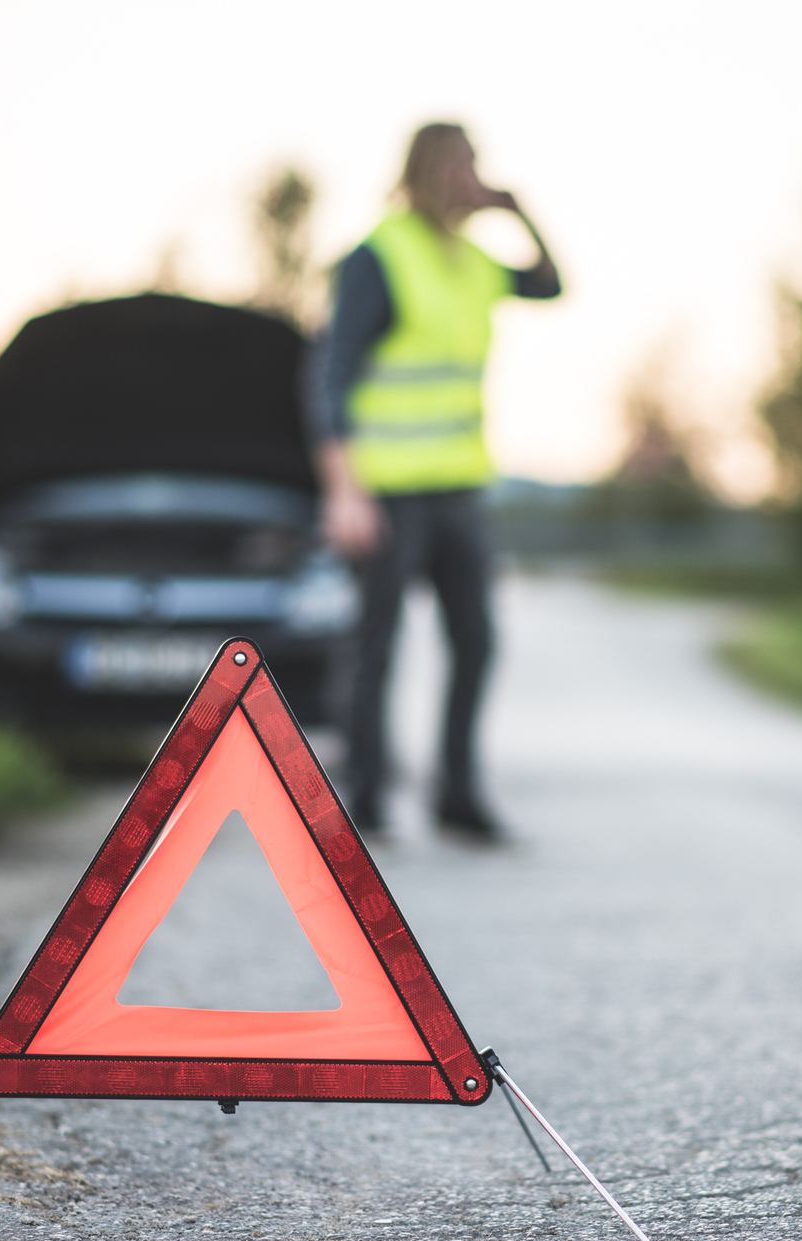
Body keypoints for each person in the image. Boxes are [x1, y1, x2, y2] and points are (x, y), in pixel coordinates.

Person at [309, 122, 561, 841]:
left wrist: (520, 213)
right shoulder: (379, 258)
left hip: (457, 489)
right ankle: (363, 798)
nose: (470, 177)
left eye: (476, 165)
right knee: (377, 645)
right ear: (426, 170)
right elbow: (330, 377)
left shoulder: (475, 263)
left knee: (476, 641)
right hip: (385, 490)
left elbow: (550, 284)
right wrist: (343, 489)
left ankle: (456, 792)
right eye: (460, 165)